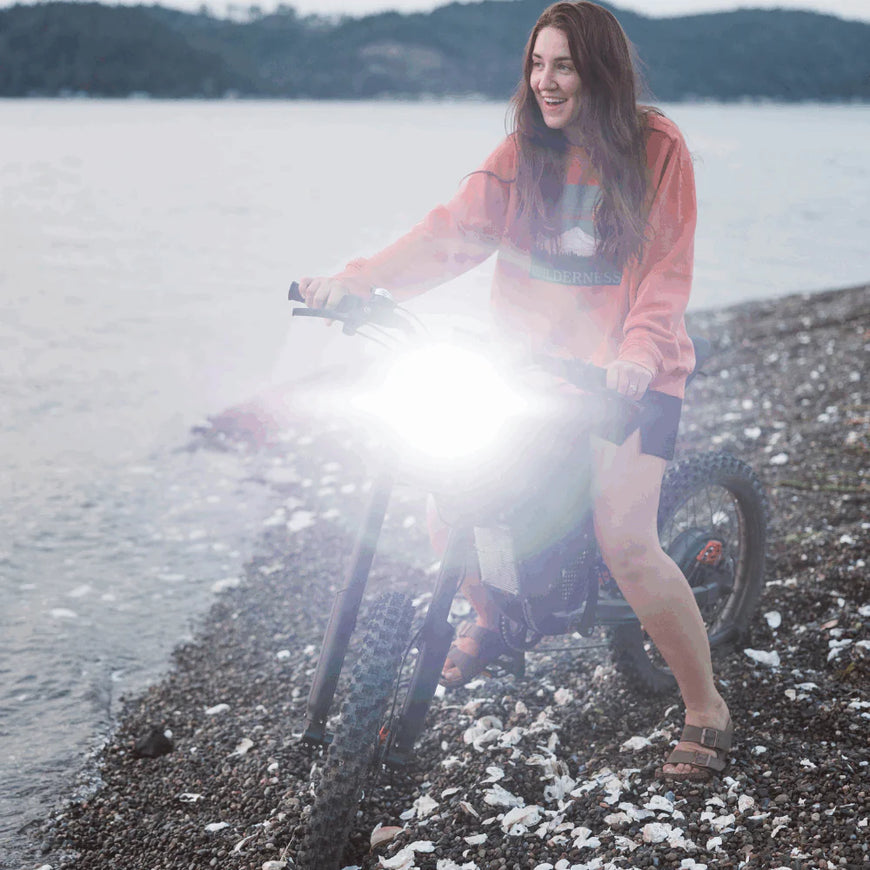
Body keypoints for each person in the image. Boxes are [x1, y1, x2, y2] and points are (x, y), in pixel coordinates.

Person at [299, 1, 732, 783]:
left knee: (626, 542)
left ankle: (705, 706)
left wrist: (635, 355)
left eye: (563, 65)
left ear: (598, 68)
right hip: (531, 374)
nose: (546, 81)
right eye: (537, 65)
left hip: (632, 376)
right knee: (451, 503)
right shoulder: (520, 154)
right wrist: (355, 284)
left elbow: (666, 272)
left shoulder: (656, 148)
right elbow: (446, 236)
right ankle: (499, 623)